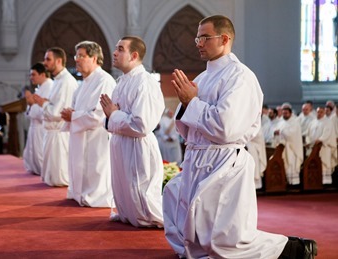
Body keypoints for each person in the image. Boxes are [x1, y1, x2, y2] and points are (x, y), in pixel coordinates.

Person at [162, 15, 317, 259]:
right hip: (198, 159)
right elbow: (186, 130)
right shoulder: (202, 79)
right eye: (197, 37)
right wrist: (185, 106)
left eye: (204, 37)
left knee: (225, 240)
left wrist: (191, 102)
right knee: (185, 213)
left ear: (224, 39)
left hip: (223, 162)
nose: (198, 43)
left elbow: (227, 127)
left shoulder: (241, 77)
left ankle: (289, 248)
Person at [100, 36, 164, 227]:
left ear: (134, 55)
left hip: (138, 145)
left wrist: (114, 114)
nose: (114, 52)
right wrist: (111, 116)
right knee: (123, 185)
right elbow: (114, 116)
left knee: (140, 188)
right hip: (121, 142)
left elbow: (142, 124)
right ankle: (128, 213)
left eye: (120, 49)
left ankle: (149, 218)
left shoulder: (145, 82)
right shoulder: (121, 82)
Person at [61, 41, 115, 207]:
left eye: (82, 56)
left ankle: (94, 196)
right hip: (81, 135)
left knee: (95, 169)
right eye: (76, 56)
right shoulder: (84, 83)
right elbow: (80, 109)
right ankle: (79, 192)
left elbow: (99, 115)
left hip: (96, 137)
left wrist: (74, 115)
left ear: (94, 58)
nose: (77, 59)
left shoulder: (104, 80)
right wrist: (71, 113)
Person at [33, 47, 78, 186]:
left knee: (60, 180)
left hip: (59, 133)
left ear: (58, 61)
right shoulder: (58, 80)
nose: (44, 62)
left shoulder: (66, 82)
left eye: (48, 59)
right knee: (52, 179)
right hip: (52, 132)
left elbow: (58, 113)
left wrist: (43, 103)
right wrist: (45, 104)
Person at [22, 63, 53, 175]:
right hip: (34, 127)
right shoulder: (40, 88)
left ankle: (44, 174)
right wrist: (30, 104)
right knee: (33, 155)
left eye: (33, 74)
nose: (31, 77)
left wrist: (31, 104)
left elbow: (45, 111)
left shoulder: (49, 86)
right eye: (30, 75)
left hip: (41, 127)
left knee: (41, 155)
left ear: (43, 74)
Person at [274, 103, 304, 185]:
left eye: (286, 113)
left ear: (290, 113)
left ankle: (294, 183)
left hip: (292, 149)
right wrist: (275, 133)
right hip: (283, 148)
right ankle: (286, 182)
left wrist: (281, 132)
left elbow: (292, 135)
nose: (284, 115)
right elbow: (276, 131)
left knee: (291, 165)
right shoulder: (281, 122)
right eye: (283, 113)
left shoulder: (295, 122)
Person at [306, 107, 337, 184]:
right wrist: (308, 141)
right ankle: (314, 181)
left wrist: (320, 140)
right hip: (313, 147)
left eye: (321, 112)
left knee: (323, 164)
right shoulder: (312, 122)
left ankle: (325, 182)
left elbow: (327, 133)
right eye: (318, 112)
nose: (319, 114)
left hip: (323, 147)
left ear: (324, 113)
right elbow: (307, 134)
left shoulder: (328, 122)